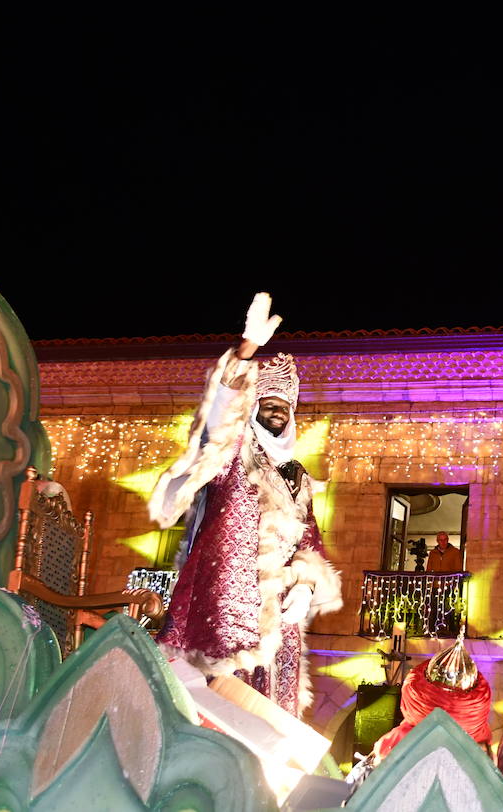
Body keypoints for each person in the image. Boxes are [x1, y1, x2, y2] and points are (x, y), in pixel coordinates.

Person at [149, 293, 341, 715]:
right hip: (227, 600)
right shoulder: (233, 451)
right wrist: (247, 348)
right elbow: (221, 411)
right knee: (216, 705)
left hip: (280, 614)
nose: (276, 412)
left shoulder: (298, 475)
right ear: (255, 409)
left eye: (284, 408)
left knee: (272, 714)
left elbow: (311, 538)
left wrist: (308, 583)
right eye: (268, 405)